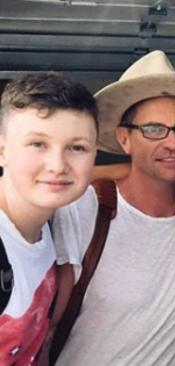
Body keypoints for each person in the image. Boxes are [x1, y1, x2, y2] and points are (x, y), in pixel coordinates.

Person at [51, 50, 175, 365]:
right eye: (153, 129)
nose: (173, 143)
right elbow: (43, 326)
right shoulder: (83, 211)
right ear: (124, 139)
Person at [0, 73, 98, 365]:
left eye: (77, 147)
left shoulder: (48, 227)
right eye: (37, 144)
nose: (57, 166)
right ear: (2, 150)